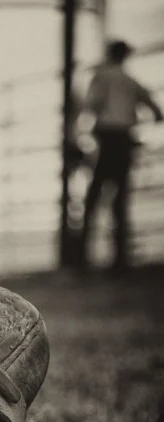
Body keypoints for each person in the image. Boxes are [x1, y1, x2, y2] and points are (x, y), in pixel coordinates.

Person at [78, 39, 163, 273]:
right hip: (124, 140)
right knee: (120, 198)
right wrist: (136, 121)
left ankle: (82, 256)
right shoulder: (130, 81)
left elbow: (91, 105)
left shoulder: (102, 77)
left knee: (94, 196)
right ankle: (120, 258)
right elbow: (157, 112)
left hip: (107, 139)